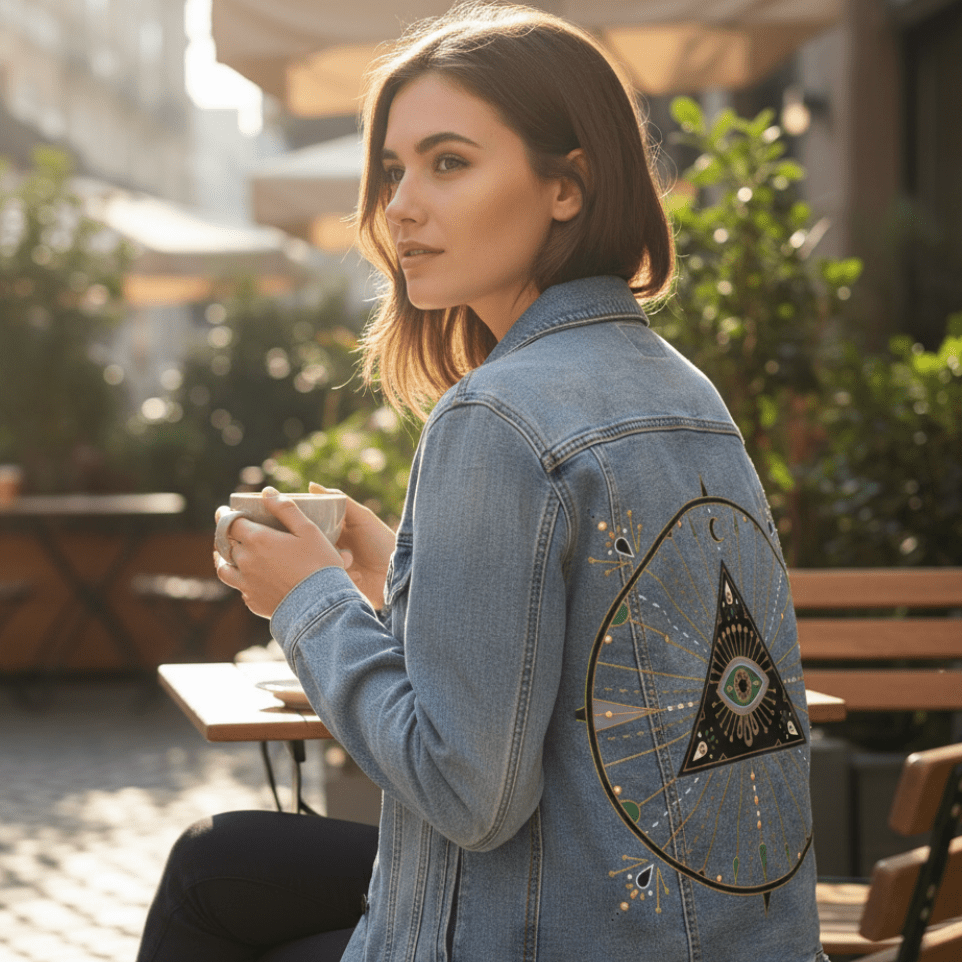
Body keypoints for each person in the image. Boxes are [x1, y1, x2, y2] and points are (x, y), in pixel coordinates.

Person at [137, 4, 828, 961]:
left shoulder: (497, 417)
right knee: (219, 866)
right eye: (393, 170)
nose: (400, 206)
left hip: (551, 925)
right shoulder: (682, 390)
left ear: (567, 186)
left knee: (213, 891)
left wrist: (304, 602)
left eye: (448, 162)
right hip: (710, 930)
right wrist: (396, 582)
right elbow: (597, 647)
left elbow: (468, 793)